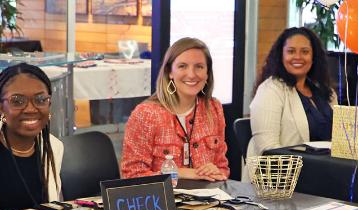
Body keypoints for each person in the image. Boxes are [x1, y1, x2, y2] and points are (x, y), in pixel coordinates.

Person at [121, 37, 229, 181]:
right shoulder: (146, 114)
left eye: (199, 66)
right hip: (162, 201)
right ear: (170, 72)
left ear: (207, 74)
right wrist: (180, 173)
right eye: (182, 66)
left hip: (207, 200)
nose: (191, 74)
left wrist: (215, 171)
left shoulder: (214, 109)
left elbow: (223, 170)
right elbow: (131, 176)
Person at [0, 63, 63, 210]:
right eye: (17, 101)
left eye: (41, 99)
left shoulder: (55, 147)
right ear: (1, 108)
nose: (30, 109)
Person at [248, 27, 336, 158]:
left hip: (328, 170)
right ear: (281, 55)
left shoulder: (326, 91)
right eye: (291, 51)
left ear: (313, 56)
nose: (298, 57)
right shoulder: (270, 90)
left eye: (305, 52)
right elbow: (268, 150)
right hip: (285, 173)